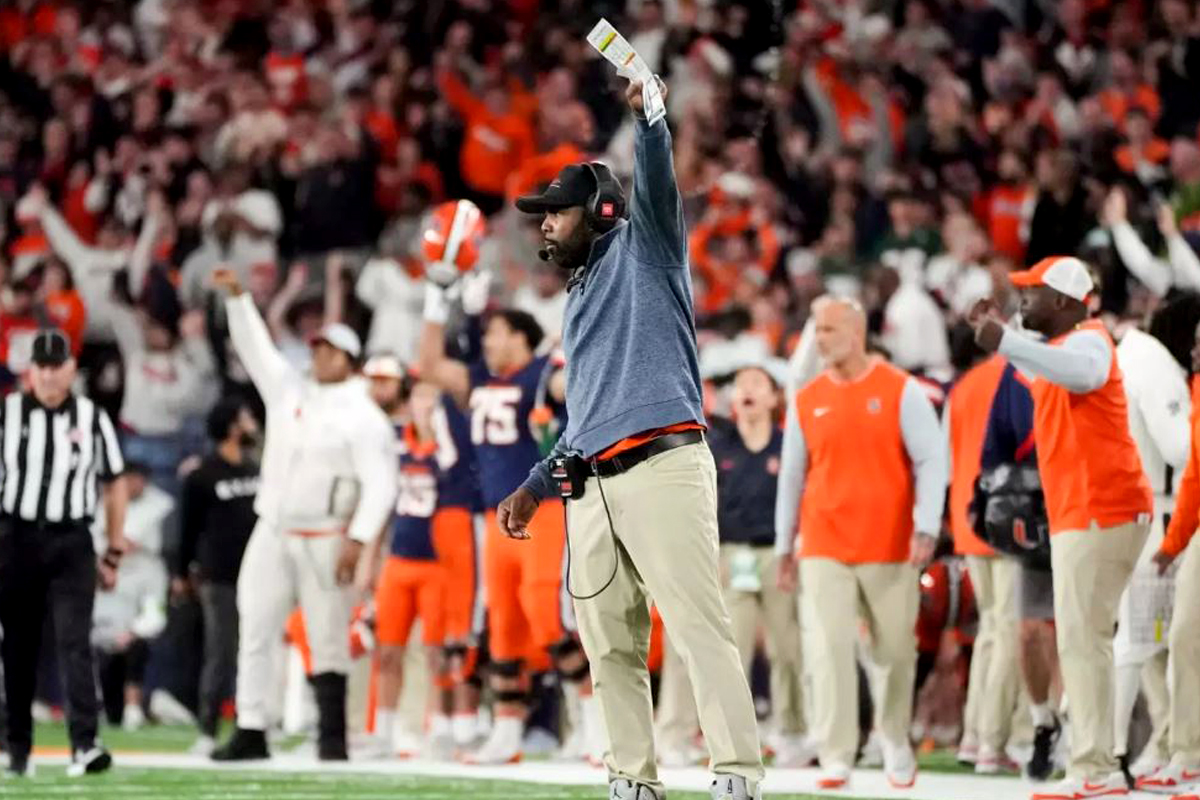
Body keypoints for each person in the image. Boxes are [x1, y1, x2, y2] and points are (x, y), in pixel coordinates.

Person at [504, 78, 764, 800]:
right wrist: (533, 486)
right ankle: (630, 779)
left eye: (556, 212)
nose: (545, 225)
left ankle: (737, 774)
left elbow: (656, 181)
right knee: (608, 644)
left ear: (600, 211)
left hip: (663, 465)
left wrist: (650, 115)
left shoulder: (646, 246)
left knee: (695, 625)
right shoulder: (581, 293)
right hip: (592, 485)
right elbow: (584, 414)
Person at [970, 255, 1154, 800]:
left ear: (1066, 302)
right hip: (1088, 510)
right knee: (1087, 639)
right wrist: (1001, 339)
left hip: (1100, 508)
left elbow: (1086, 371)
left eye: (1033, 292)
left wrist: (1004, 342)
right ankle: (1104, 760)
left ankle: (1094, 767)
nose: (1022, 300)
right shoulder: (1059, 348)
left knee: (1084, 641)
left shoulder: (1090, 338)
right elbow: (1046, 373)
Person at [208, 268, 398, 762]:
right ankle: (251, 726)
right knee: (255, 626)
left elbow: (382, 486)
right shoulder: (289, 390)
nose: (316, 355)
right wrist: (238, 299)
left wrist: (357, 540)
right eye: (315, 347)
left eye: (328, 349)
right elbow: (255, 350)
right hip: (273, 528)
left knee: (327, 634)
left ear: (350, 360)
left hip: (327, 533)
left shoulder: (365, 417)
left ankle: (331, 737)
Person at [418, 273, 599, 764]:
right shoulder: (479, 378)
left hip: (543, 510)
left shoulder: (542, 374)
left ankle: (593, 720)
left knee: (548, 615)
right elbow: (428, 365)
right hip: (492, 517)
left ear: (521, 338)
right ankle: (507, 729)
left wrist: (573, 338)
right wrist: (438, 301)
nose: (488, 339)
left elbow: (574, 381)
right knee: (502, 626)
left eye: (497, 331)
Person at [774, 295, 947, 791]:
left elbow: (932, 461)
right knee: (827, 649)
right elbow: (791, 476)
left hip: (890, 543)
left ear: (857, 332)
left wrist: (927, 525)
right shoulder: (807, 398)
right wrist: (786, 546)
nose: (819, 339)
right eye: (816, 328)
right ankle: (836, 753)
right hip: (824, 542)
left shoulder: (900, 389)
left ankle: (893, 738)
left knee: (895, 650)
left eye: (828, 329)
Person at [0, 328, 128, 778]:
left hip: (73, 540)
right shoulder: (7, 413)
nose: (50, 376)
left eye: (58, 367)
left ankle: (85, 744)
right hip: (16, 537)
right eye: (43, 368)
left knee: (75, 641)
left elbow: (114, 484)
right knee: (18, 645)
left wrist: (113, 550)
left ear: (72, 370)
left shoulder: (92, 417)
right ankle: (17, 747)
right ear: (30, 371)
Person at [709, 362, 810, 766]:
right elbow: (706, 506)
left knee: (787, 648)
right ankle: (731, 737)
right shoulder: (720, 445)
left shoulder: (789, 445)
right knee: (733, 652)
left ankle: (792, 731)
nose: (747, 389)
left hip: (777, 553)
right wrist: (712, 553)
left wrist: (797, 549)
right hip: (732, 554)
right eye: (741, 384)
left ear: (774, 397)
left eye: (757, 383)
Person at [1111, 314, 1192, 781]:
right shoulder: (1153, 361)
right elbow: (1181, 448)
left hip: (1130, 508)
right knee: (1145, 639)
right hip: (1160, 512)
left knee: (1147, 641)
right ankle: (1115, 751)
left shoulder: (1130, 355)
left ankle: (1148, 749)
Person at [363, 363, 457, 757]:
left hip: (438, 561)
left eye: (432, 400)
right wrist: (371, 556)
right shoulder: (395, 440)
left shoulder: (449, 447)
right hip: (399, 559)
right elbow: (382, 501)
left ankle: (437, 727)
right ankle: (383, 731)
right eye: (420, 398)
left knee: (436, 651)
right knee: (388, 649)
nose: (424, 407)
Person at [944, 351, 1024, 772]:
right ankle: (993, 741)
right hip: (1011, 517)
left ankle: (974, 736)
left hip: (968, 518)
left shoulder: (964, 384)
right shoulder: (1022, 375)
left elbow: (946, 460)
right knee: (1007, 631)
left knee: (991, 629)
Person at [175, 397, 261, 755]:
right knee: (221, 652)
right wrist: (181, 573)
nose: (251, 422)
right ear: (230, 426)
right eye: (244, 417)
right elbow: (188, 529)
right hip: (219, 575)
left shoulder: (255, 469)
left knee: (256, 648)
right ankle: (208, 728)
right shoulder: (202, 474)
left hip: (256, 572)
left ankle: (254, 723)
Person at [1140, 311, 1200, 796]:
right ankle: (1188, 752)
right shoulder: (1198, 392)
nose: (1195, 354)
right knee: (1183, 634)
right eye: (1195, 343)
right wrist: (1173, 544)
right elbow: (1194, 480)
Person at [91, 462, 171, 732]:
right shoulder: (99, 563)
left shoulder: (151, 567)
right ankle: (95, 703)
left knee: (137, 648)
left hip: (130, 641)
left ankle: (135, 705)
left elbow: (154, 614)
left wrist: (132, 633)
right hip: (101, 635)